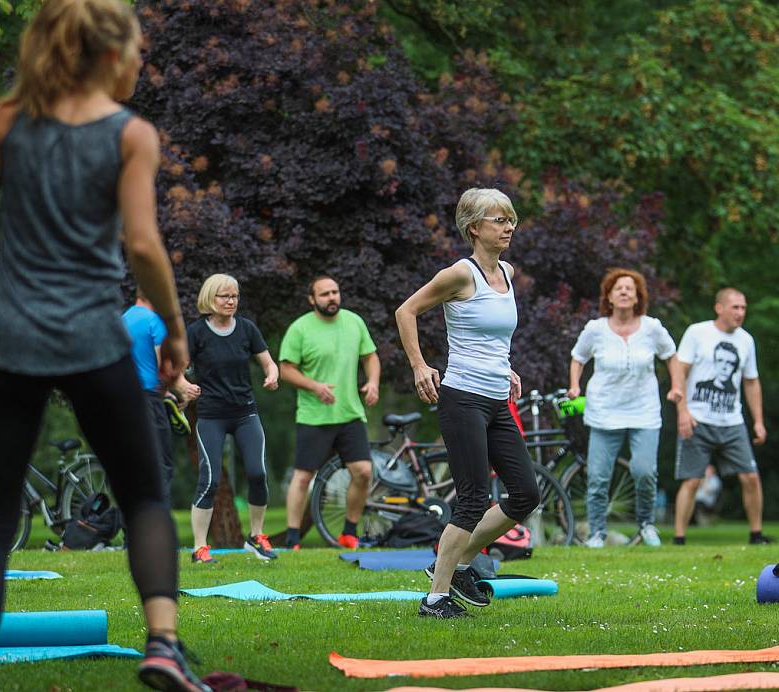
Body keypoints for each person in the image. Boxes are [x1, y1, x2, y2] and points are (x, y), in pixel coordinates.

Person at [0, 2, 207, 689]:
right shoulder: (129, 133)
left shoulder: (9, 120)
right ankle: (163, 643)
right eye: (135, 50)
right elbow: (143, 245)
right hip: (92, 340)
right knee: (144, 497)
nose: (140, 62)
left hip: (12, 342)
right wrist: (173, 329)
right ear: (109, 56)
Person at [394, 187, 540, 619]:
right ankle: (435, 598)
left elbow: (491, 337)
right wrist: (420, 365)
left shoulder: (506, 272)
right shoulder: (460, 274)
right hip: (463, 399)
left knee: (525, 494)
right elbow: (406, 312)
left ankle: (457, 564)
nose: (509, 227)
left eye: (511, 219)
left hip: (496, 398)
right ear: (474, 228)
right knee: (473, 499)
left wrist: (506, 368)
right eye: (500, 220)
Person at [568, 268, 683, 548]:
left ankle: (646, 525)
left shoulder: (652, 328)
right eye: (617, 288)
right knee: (598, 477)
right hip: (604, 412)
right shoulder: (595, 329)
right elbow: (578, 357)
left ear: (637, 297)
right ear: (608, 297)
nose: (623, 292)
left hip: (644, 411)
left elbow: (671, 356)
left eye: (629, 288)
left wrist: (677, 386)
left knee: (644, 472)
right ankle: (597, 533)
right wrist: (574, 386)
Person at [279, 276, 380, 550]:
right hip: (314, 416)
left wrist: (373, 382)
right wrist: (314, 386)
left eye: (335, 292)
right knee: (303, 477)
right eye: (324, 294)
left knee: (363, 472)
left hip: (350, 413)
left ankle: (349, 532)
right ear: (312, 299)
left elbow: (370, 356)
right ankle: (292, 539)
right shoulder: (300, 328)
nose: (332, 297)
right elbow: (285, 370)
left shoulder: (354, 321)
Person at [187, 274, 279, 563]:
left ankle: (256, 537)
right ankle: (199, 548)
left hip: (244, 414)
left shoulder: (247, 329)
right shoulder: (196, 333)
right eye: (224, 296)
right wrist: (183, 385)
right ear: (210, 298)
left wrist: (272, 375)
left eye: (235, 296)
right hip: (211, 416)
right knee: (210, 480)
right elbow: (177, 369)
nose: (231, 301)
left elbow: (269, 363)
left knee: (257, 473)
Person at [672, 287, 770, 545]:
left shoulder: (746, 340)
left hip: (732, 422)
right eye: (735, 307)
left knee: (750, 477)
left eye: (743, 308)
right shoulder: (697, 333)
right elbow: (679, 372)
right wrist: (683, 412)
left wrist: (758, 421)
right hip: (697, 419)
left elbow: (751, 382)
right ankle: (679, 539)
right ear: (719, 308)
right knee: (692, 481)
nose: (740, 313)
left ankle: (756, 535)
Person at [123, 287, 198, 506]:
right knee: (161, 467)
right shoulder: (154, 321)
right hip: (149, 400)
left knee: (133, 467)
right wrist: (183, 390)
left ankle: (132, 525)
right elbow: (163, 367)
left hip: (123, 401)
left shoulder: (120, 320)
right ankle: (158, 522)